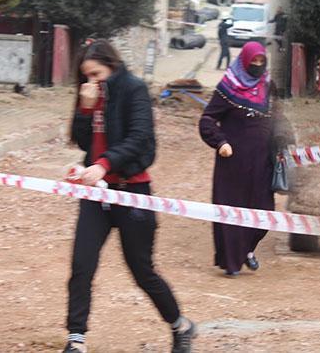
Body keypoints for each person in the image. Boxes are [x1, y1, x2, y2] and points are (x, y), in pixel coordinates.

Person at [66, 39, 195, 353]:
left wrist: (105, 163)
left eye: (96, 74)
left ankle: (181, 325)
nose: (91, 81)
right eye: (86, 76)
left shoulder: (133, 89)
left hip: (132, 191)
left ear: (111, 65)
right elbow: (82, 141)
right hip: (96, 195)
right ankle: (76, 340)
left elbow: (141, 138)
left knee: (141, 269)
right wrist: (84, 109)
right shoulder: (88, 92)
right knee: (82, 265)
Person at [199, 41, 292, 276]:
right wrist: (220, 142)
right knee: (232, 213)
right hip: (233, 163)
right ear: (244, 62)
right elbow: (207, 120)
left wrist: (282, 137)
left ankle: (248, 249)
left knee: (264, 211)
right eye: (253, 62)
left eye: (262, 62)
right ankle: (232, 263)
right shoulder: (227, 87)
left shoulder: (268, 86)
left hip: (262, 163)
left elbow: (278, 116)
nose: (258, 66)